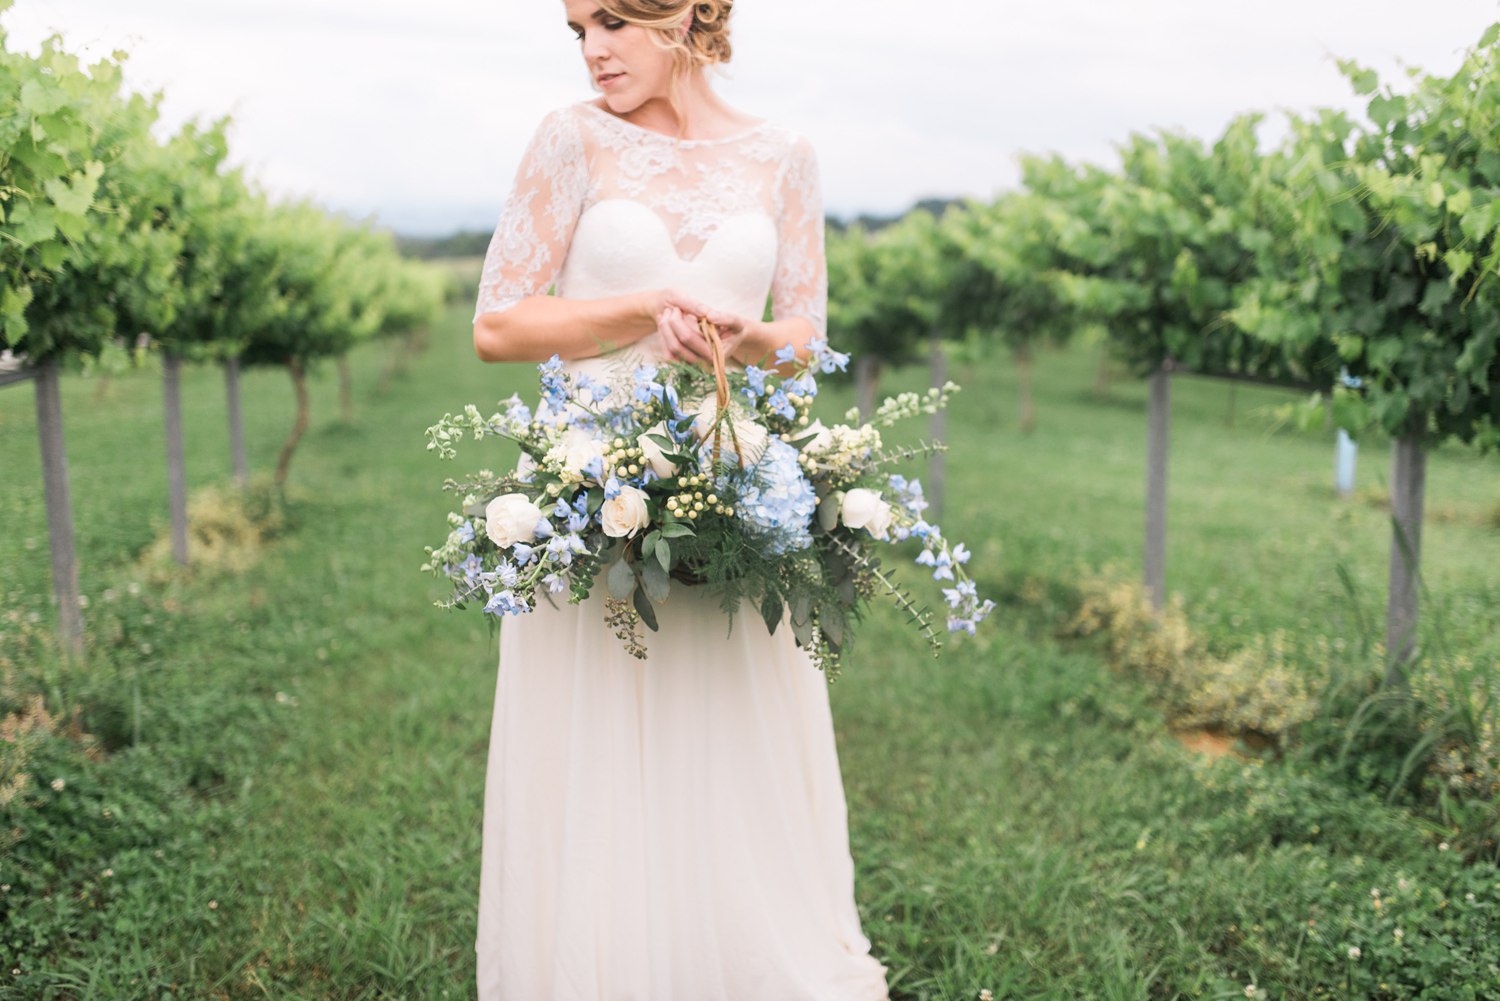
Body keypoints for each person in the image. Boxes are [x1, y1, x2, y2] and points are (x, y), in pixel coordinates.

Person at [470, 2, 890, 998]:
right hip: (599, 491)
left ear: (688, 13)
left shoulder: (785, 154)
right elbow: (497, 325)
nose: (593, 51)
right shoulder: (570, 139)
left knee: (729, 723)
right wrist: (636, 312)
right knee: (606, 731)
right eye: (577, 30)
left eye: (614, 21)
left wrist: (736, 340)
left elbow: (807, 339)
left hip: (732, 479)